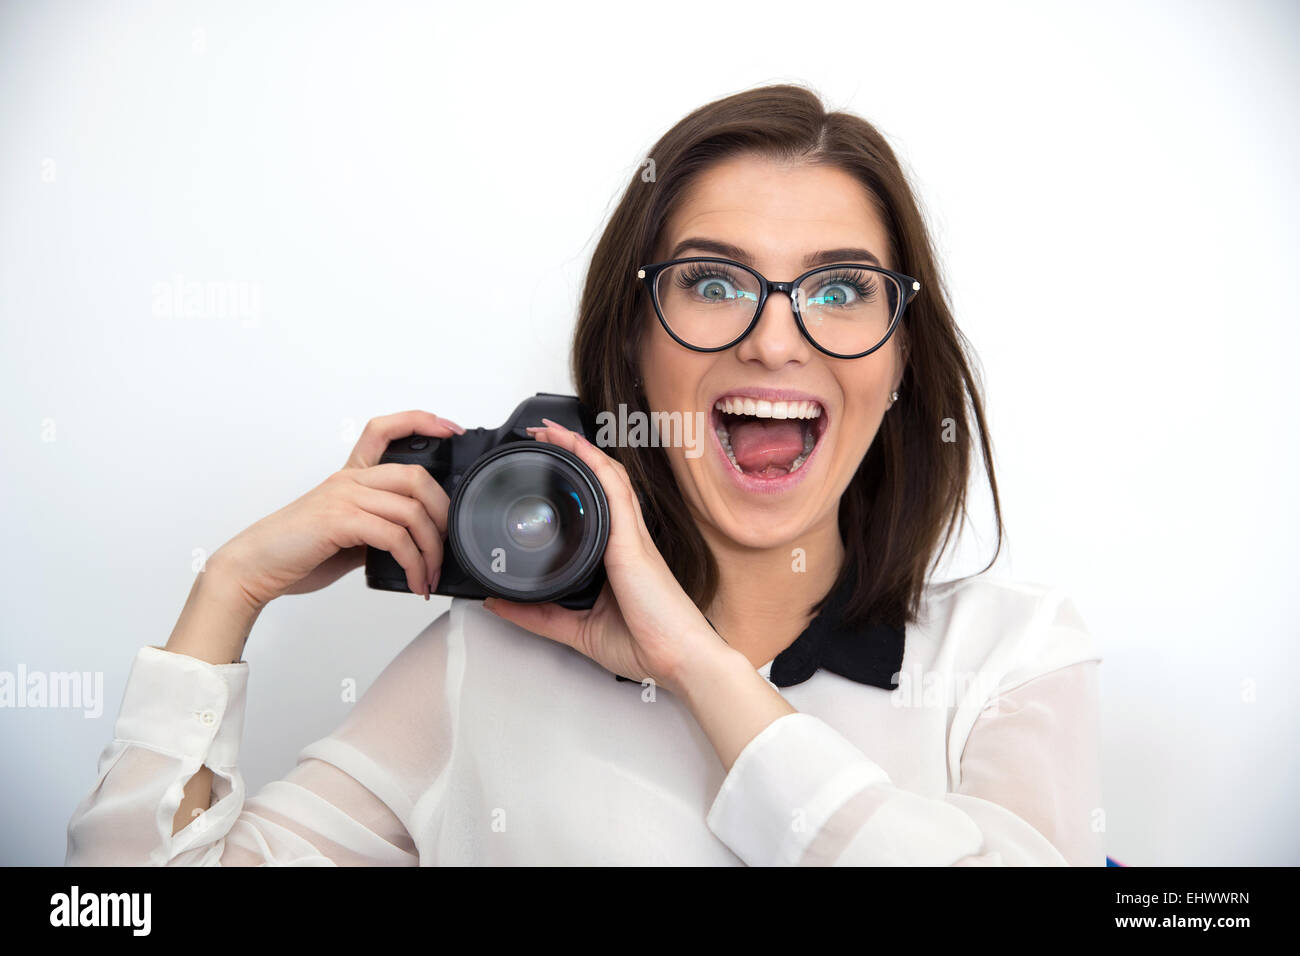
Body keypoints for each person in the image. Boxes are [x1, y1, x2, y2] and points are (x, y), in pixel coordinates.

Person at [66, 83, 1104, 866]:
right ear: (632, 350)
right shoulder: (485, 664)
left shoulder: (1007, 653)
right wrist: (226, 593)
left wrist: (697, 666)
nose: (776, 341)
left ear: (899, 357)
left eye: (839, 288)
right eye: (710, 281)